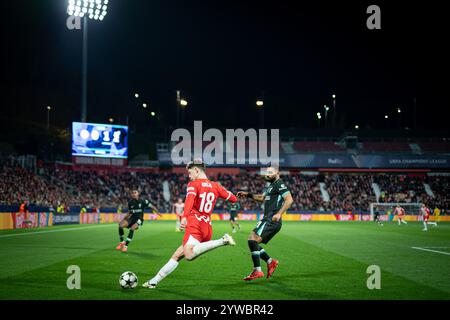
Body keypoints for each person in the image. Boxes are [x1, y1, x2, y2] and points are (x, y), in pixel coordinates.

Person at [142, 159, 237, 289]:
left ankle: (223, 241)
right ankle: (154, 281)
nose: (189, 175)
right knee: (177, 255)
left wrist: (184, 217)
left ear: (197, 170)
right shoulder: (216, 186)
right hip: (207, 227)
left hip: (195, 224)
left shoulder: (193, 184)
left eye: (190, 172)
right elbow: (233, 199)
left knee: (189, 254)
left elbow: (189, 200)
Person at [237, 166, 293, 281]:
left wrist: (279, 213)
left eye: (270, 172)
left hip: (272, 219)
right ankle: (270, 262)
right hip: (267, 218)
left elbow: (289, 199)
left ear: (277, 173)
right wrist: (248, 195)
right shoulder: (271, 186)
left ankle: (257, 270)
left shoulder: (279, 184)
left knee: (252, 239)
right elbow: (262, 198)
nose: (267, 174)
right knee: (253, 241)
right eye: (266, 173)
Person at [115, 188, 160, 253]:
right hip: (132, 218)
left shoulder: (143, 201)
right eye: (132, 193)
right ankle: (122, 242)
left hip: (139, 219)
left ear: (138, 193)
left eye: (135, 192)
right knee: (120, 225)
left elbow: (152, 206)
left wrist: (157, 212)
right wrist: (124, 219)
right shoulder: (130, 202)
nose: (133, 194)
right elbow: (129, 212)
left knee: (132, 228)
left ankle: (126, 246)